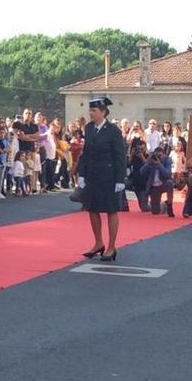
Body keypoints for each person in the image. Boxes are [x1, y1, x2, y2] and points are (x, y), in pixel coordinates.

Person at [77, 97, 126, 262]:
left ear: (103, 112)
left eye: (94, 110)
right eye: (90, 110)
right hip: (92, 175)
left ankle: (111, 247)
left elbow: (120, 156)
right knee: (92, 209)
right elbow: (86, 153)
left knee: (111, 210)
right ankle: (98, 242)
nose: (91, 113)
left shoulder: (113, 130)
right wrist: (81, 173)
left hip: (109, 176)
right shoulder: (89, 128)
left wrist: (120, 179)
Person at [140, 147, 175, 217]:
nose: (158, 158)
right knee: (155, 211)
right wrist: (147, 163)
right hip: (154, 187)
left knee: (170, 183)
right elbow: (141, 172)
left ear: (163, 155)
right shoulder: (151, 161)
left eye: (160, 156)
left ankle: (169, 204)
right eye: (156, 156)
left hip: (163, 184)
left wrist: (159, 165)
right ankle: (163, 205)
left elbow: (168, 174)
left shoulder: (167, 160)